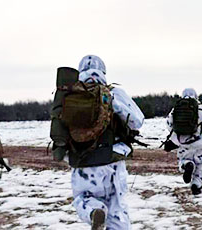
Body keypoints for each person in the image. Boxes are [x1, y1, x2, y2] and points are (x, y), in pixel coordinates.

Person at [51, 55, 144, 229]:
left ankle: (94, 210)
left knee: (81, 199)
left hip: (82, 165)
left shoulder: (69, 96)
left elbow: (60, 135)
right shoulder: (113, 93)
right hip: (112, 162)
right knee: (117, 213)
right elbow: (137, 121)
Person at [164, 88, 202, 195]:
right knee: (201, 164)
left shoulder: (176, 109)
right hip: (201, 141)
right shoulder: (201, 109)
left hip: (183, 142)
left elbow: (169, 125)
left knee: (183, 159)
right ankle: (196, 185)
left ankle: (187, 165)